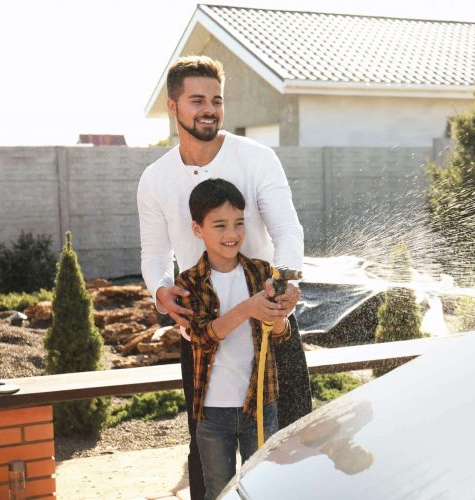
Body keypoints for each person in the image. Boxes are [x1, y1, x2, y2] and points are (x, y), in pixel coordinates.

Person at [137, 55, 311, 500]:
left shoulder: (256, 157)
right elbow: (156, 253)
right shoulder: (155, 179)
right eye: (197, 100)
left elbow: (287, 228)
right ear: (173, 107)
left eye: (216, 99)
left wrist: (287, 280)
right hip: (204, 331)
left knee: (289, 450)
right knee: (208, 461)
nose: (209, 108)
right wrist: (160, 291)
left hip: (270, 319)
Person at [176, 178, 288, 499]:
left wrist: (278, 317)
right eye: (220, 225)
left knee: (265, 488)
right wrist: (248, 308)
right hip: (213, 412)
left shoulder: (260, 272)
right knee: (219, 492)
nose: (232, 234)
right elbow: (200, 337)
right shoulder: (190, 282)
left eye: (239, 223)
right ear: (198, 229)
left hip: (259, 406)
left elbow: (280, 335)